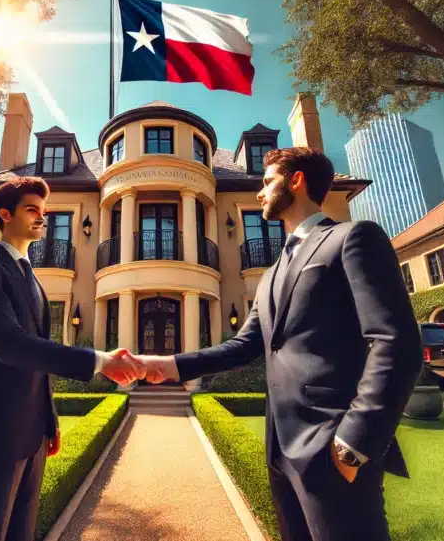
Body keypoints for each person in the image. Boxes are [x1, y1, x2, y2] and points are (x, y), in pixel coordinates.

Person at [138, 147, 423, 541]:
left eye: (268, 181)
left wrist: (354, 441)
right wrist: (169, 365)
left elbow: (396, 342)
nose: (260, 194)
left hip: (333, 444)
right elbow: (246, 345)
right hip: (280, 449)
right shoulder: (272, 273)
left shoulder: (352, 237)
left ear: (297, 180)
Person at [0, 176, 144, 541]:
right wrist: (102, 360)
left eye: (44, 211)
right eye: (32, 210)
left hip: (33, 435)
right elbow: (10, 345)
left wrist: (49, 420)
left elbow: (37, 358)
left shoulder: (33, 279)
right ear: (5, 214)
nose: (42, 218)